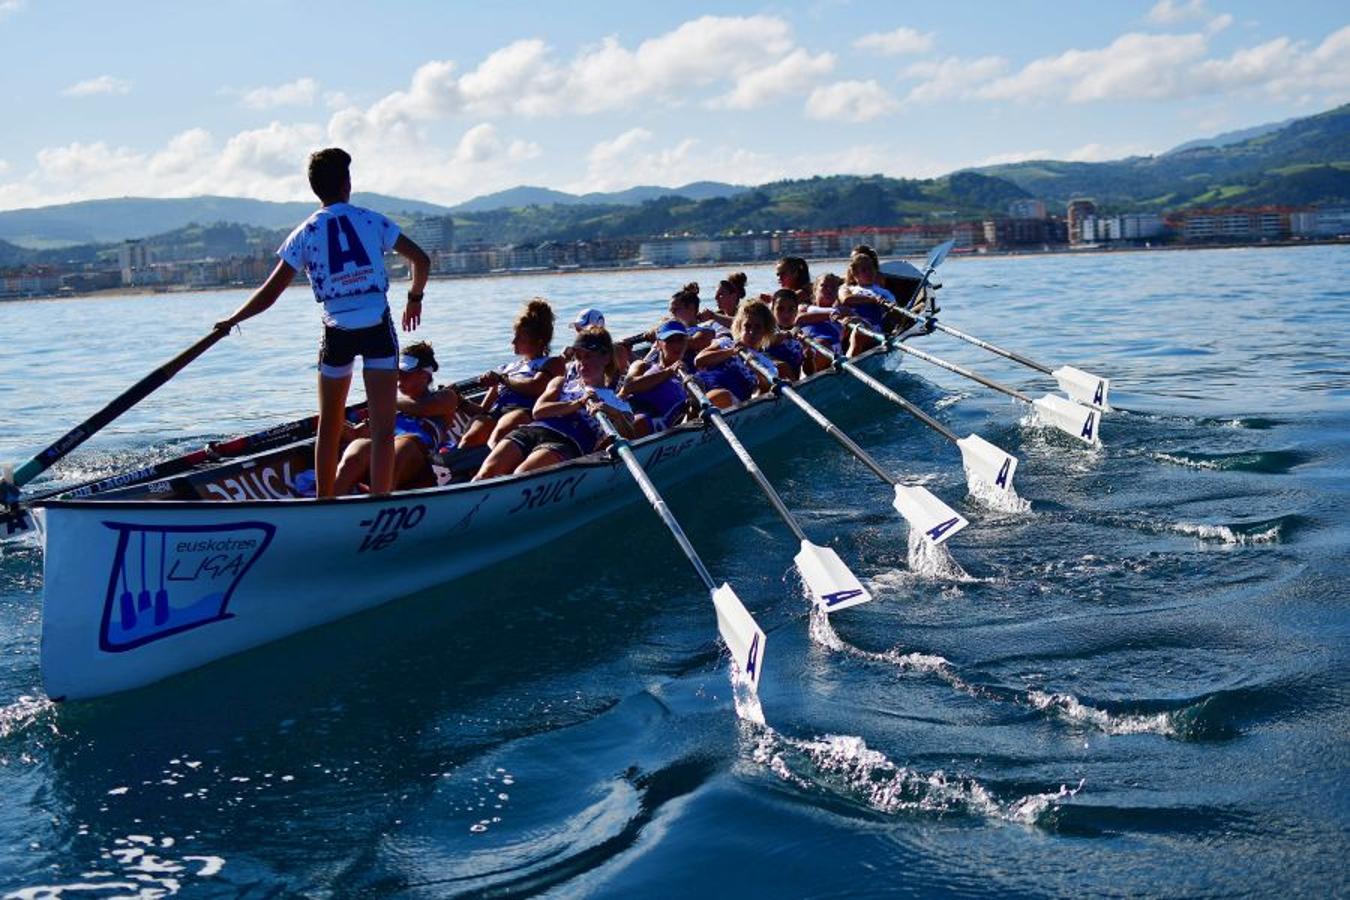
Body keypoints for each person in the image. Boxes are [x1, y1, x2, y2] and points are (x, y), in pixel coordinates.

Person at [214, 147, 429, 497]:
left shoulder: (304, 232)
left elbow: (269, 295)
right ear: (347, 183)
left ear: (315, 189)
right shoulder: (372, 220)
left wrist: (233, 319)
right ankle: (379, 500)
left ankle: (324, 502)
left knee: (329, 427)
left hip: (336, 332)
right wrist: (414, 298)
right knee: (383, 429)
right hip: (377, 327)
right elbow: (422, 260)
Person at [473, 327, 634, 479]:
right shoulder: (560, 382)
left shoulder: (618, 404)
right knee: (484, 475)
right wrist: (579, 403)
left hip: (566, 443)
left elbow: (631, 436)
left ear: (605, 358)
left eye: (588, 356)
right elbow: (539, 411)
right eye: (578, 357)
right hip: (532, 431)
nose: (582, 363)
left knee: (521, 475)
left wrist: (610, 412)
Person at [332, 341, 459, 494]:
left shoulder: (445, 396)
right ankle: (331, 503)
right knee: (359, 447)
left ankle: (379, 499)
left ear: (424, 375)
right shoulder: (390, 406)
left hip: (420, 459)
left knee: (405, 444)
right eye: (397, 372)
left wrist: (386, 400)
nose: (398, 377)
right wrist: (332, 419)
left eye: (405, 373)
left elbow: (423, 409)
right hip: (386, 448)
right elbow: (356, 433)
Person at [461, 298, 566, 449]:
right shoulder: (507, 368)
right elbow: (483, 409)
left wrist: (502, 380)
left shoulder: (553, 363)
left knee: (500, 433)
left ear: (539, 342)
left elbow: (537, 387)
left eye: (519, 338)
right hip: (496, 411)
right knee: (470, 438)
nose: (513, 342)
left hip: (524, 412)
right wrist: (459, 401)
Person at [693, 299, 775, 409]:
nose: (752, 332)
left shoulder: (766, 364)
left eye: (758, 327)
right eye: (747, 326)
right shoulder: (725, 343)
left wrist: (756, 369)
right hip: (702, 387)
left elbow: (764, 390)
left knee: (722, 395)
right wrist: (731, 352)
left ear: (765, 331)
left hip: (730, 402)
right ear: (740, 327)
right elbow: (699, 360)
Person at [621, 319, 693, 436]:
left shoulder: (689, 377)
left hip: (667, 427)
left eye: (680, 340)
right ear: (659, 344)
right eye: (670, 340)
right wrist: (669, 371)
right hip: (636, 419)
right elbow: (629, 386)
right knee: (639, 421)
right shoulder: (642, 366)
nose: (676, 345)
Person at [836, 250, 897, 357]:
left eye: (871, 268)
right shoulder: (849, 289)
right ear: (855, 273)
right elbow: (846, 300)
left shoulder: (884, 293)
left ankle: (847, 362)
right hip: (848, 324)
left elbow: (894, 314)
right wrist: (872, 300)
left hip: (873, 330)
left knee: (857, 329)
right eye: (864, 270)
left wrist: (889, 308)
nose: (869, 272)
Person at [797, 272, 845, 374]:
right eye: (824, 286)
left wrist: (854, 321)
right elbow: (799, 319)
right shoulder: (805, 308)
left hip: (833, 352)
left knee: (822, 343)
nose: (829, 290)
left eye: (833, 287)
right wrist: (829, 315)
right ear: (815, 291)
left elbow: (858, 320)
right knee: (819, 344)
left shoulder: (842, 310)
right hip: (808, 351)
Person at [765, 289, 806, 381]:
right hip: (770, 381)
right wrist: (789, 334)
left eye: (791, 309)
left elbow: (809, 371)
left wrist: (809, 356)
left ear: (796, 311)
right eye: (780, 309)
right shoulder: (766, 329)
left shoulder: (801, 333)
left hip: (793, 384)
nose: (786, 314)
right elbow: (770, 339)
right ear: (772, 310)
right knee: (782, 367)